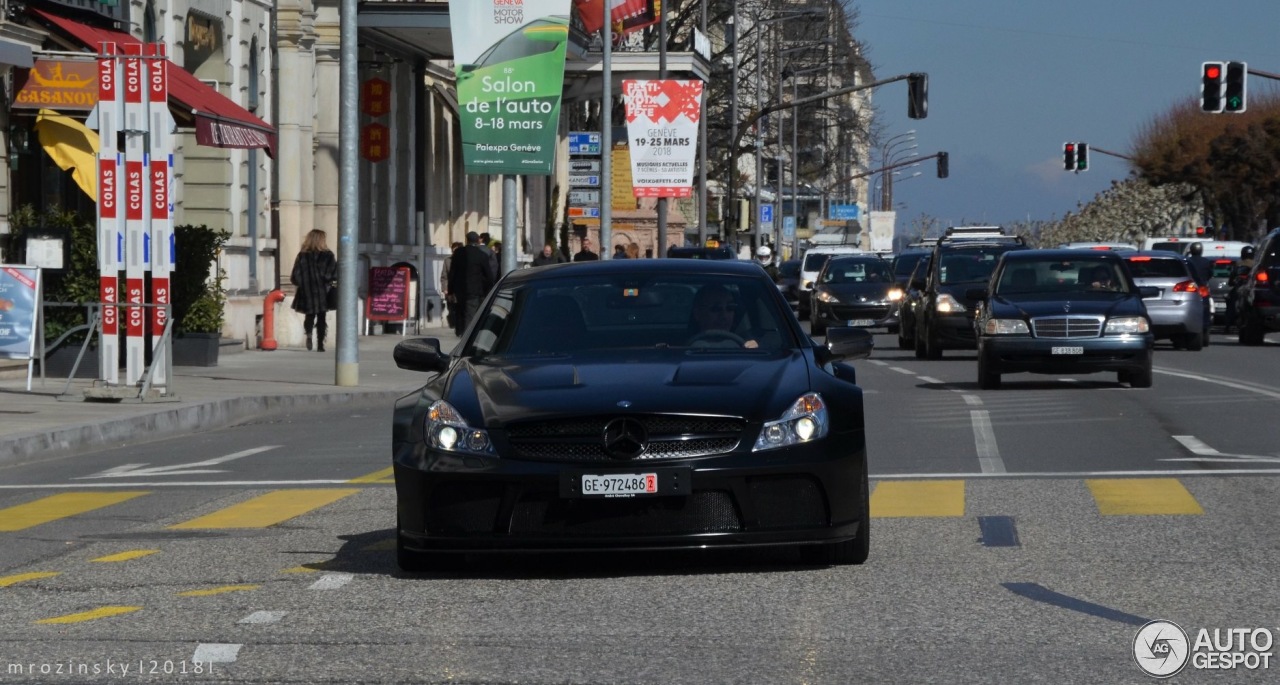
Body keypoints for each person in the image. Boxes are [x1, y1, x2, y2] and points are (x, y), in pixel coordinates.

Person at [290, 229, 337, 352]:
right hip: (323, 291)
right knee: (322, 317)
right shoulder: (328, 255)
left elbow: (295, 276)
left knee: (309, 315)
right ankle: (320, 344)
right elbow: (333, 274)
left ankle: (309, 333)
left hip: (307, 291)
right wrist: (330, 284)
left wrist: (303, 283)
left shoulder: (302, 255)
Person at [448, 231, 498, 334]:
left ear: (467, 240)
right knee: (471, 316)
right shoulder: (482, 255)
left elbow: (452, 272)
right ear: (478, 241)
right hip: (474, 291)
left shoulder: (458, 253)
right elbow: (489, 275)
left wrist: (450, 290)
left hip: (459, 290)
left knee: (461, 313)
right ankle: (467, 339)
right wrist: (488, 289)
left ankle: (461, 332)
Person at [687, 284, 759, 349]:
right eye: (716, 308)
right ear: (698, 314)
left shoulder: (745, 346)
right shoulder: (680, 352)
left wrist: (753, 351)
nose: (724, 315)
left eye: (730, 307)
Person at [442, 241, 463, 331]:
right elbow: (444, 276)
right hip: (451, 290)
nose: (454, 253)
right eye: (453, 251)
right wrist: (445, 288)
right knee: (452, 309)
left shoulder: (465, 260)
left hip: (462, 289)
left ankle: (460, 326)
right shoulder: (447, 260)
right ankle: (455, 325)